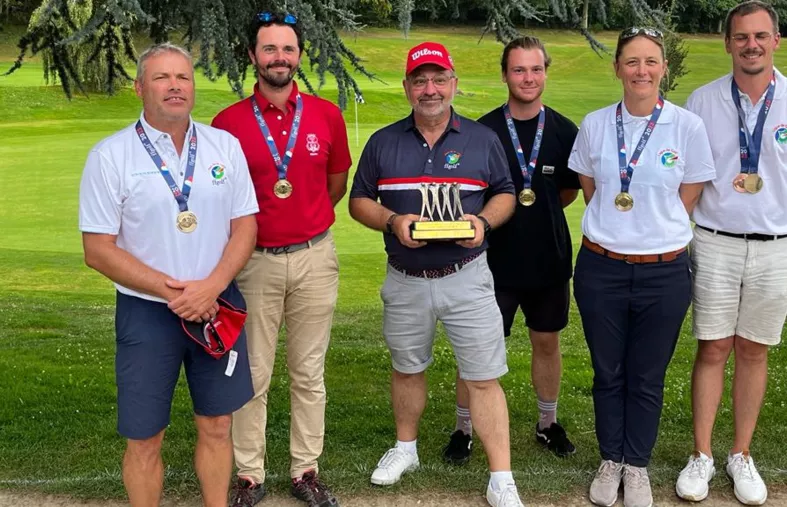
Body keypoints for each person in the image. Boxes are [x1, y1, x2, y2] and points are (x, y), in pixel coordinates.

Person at [78, 43, 258, 507]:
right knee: (144, 437)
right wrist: (174, 292)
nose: (175, 86)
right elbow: (97, 249)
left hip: (218, 305)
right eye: (162, 78)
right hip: (147, 312)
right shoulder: (110, 156)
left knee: (218, 425)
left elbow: (246, 227)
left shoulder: (224, 146)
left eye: (183, 77)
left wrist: (212, 287)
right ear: (140, 88)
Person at [349, 41, 525, 507]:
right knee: (407, 368)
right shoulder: (383, 141)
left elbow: (506, 192)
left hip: (466, 274)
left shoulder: (482, 140)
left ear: (454, 84)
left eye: (438, 79)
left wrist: (482, 222)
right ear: (408, 87)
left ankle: (500, 475)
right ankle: (406, 449)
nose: (430, 89)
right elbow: (359, 200)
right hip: (405, 276)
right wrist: (391, 220)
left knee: (484, 376)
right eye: (420, 80)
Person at [568, 28, 716, 507]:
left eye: (651, 61)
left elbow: (688, 196)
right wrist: (620, 229)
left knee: (648, 375)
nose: (641, 71)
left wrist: (650, 230)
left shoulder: (687, 126)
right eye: (631, 62)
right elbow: (592, 189)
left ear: (664, 67)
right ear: (617, 68)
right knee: (607, 371)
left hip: (664, 271)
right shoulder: (594, 124)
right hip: (601, 268)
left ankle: (637, 465)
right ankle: (611, 459)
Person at [211, 11, 351, 507]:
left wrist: (305, 221)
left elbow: (336, 185)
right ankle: (250, 474)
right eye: (269, 49)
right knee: (252, 372)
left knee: (309, 371)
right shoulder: (227, 124)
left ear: (299, 56)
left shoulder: (325, 115)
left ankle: (305, 470)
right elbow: (221, 201)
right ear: (252, 56)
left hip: (315, 256)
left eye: (287, 49)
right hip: (253, 263)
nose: (279, 58)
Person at [443, 35, 580, 466]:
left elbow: (566, 193)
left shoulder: (563, 131)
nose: (528, 77)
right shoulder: (481, 132)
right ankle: (464, 428)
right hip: (489, 263)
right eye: (518, 70)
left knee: (546, 342)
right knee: (476, 350)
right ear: (504, 74)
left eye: (536, 69)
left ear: (545, 72)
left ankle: (546, 423)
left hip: (549, 261)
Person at [676, 2, 784, 505]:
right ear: (727, 44)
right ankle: (701, 455)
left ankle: (741, 453)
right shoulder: (701, 101)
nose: (752, 45)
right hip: (715, 240)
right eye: (741, 37)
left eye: (761, 36)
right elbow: (685, 176)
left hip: (777, 246)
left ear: (777, 41)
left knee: (754, 350)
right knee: (713, 347)